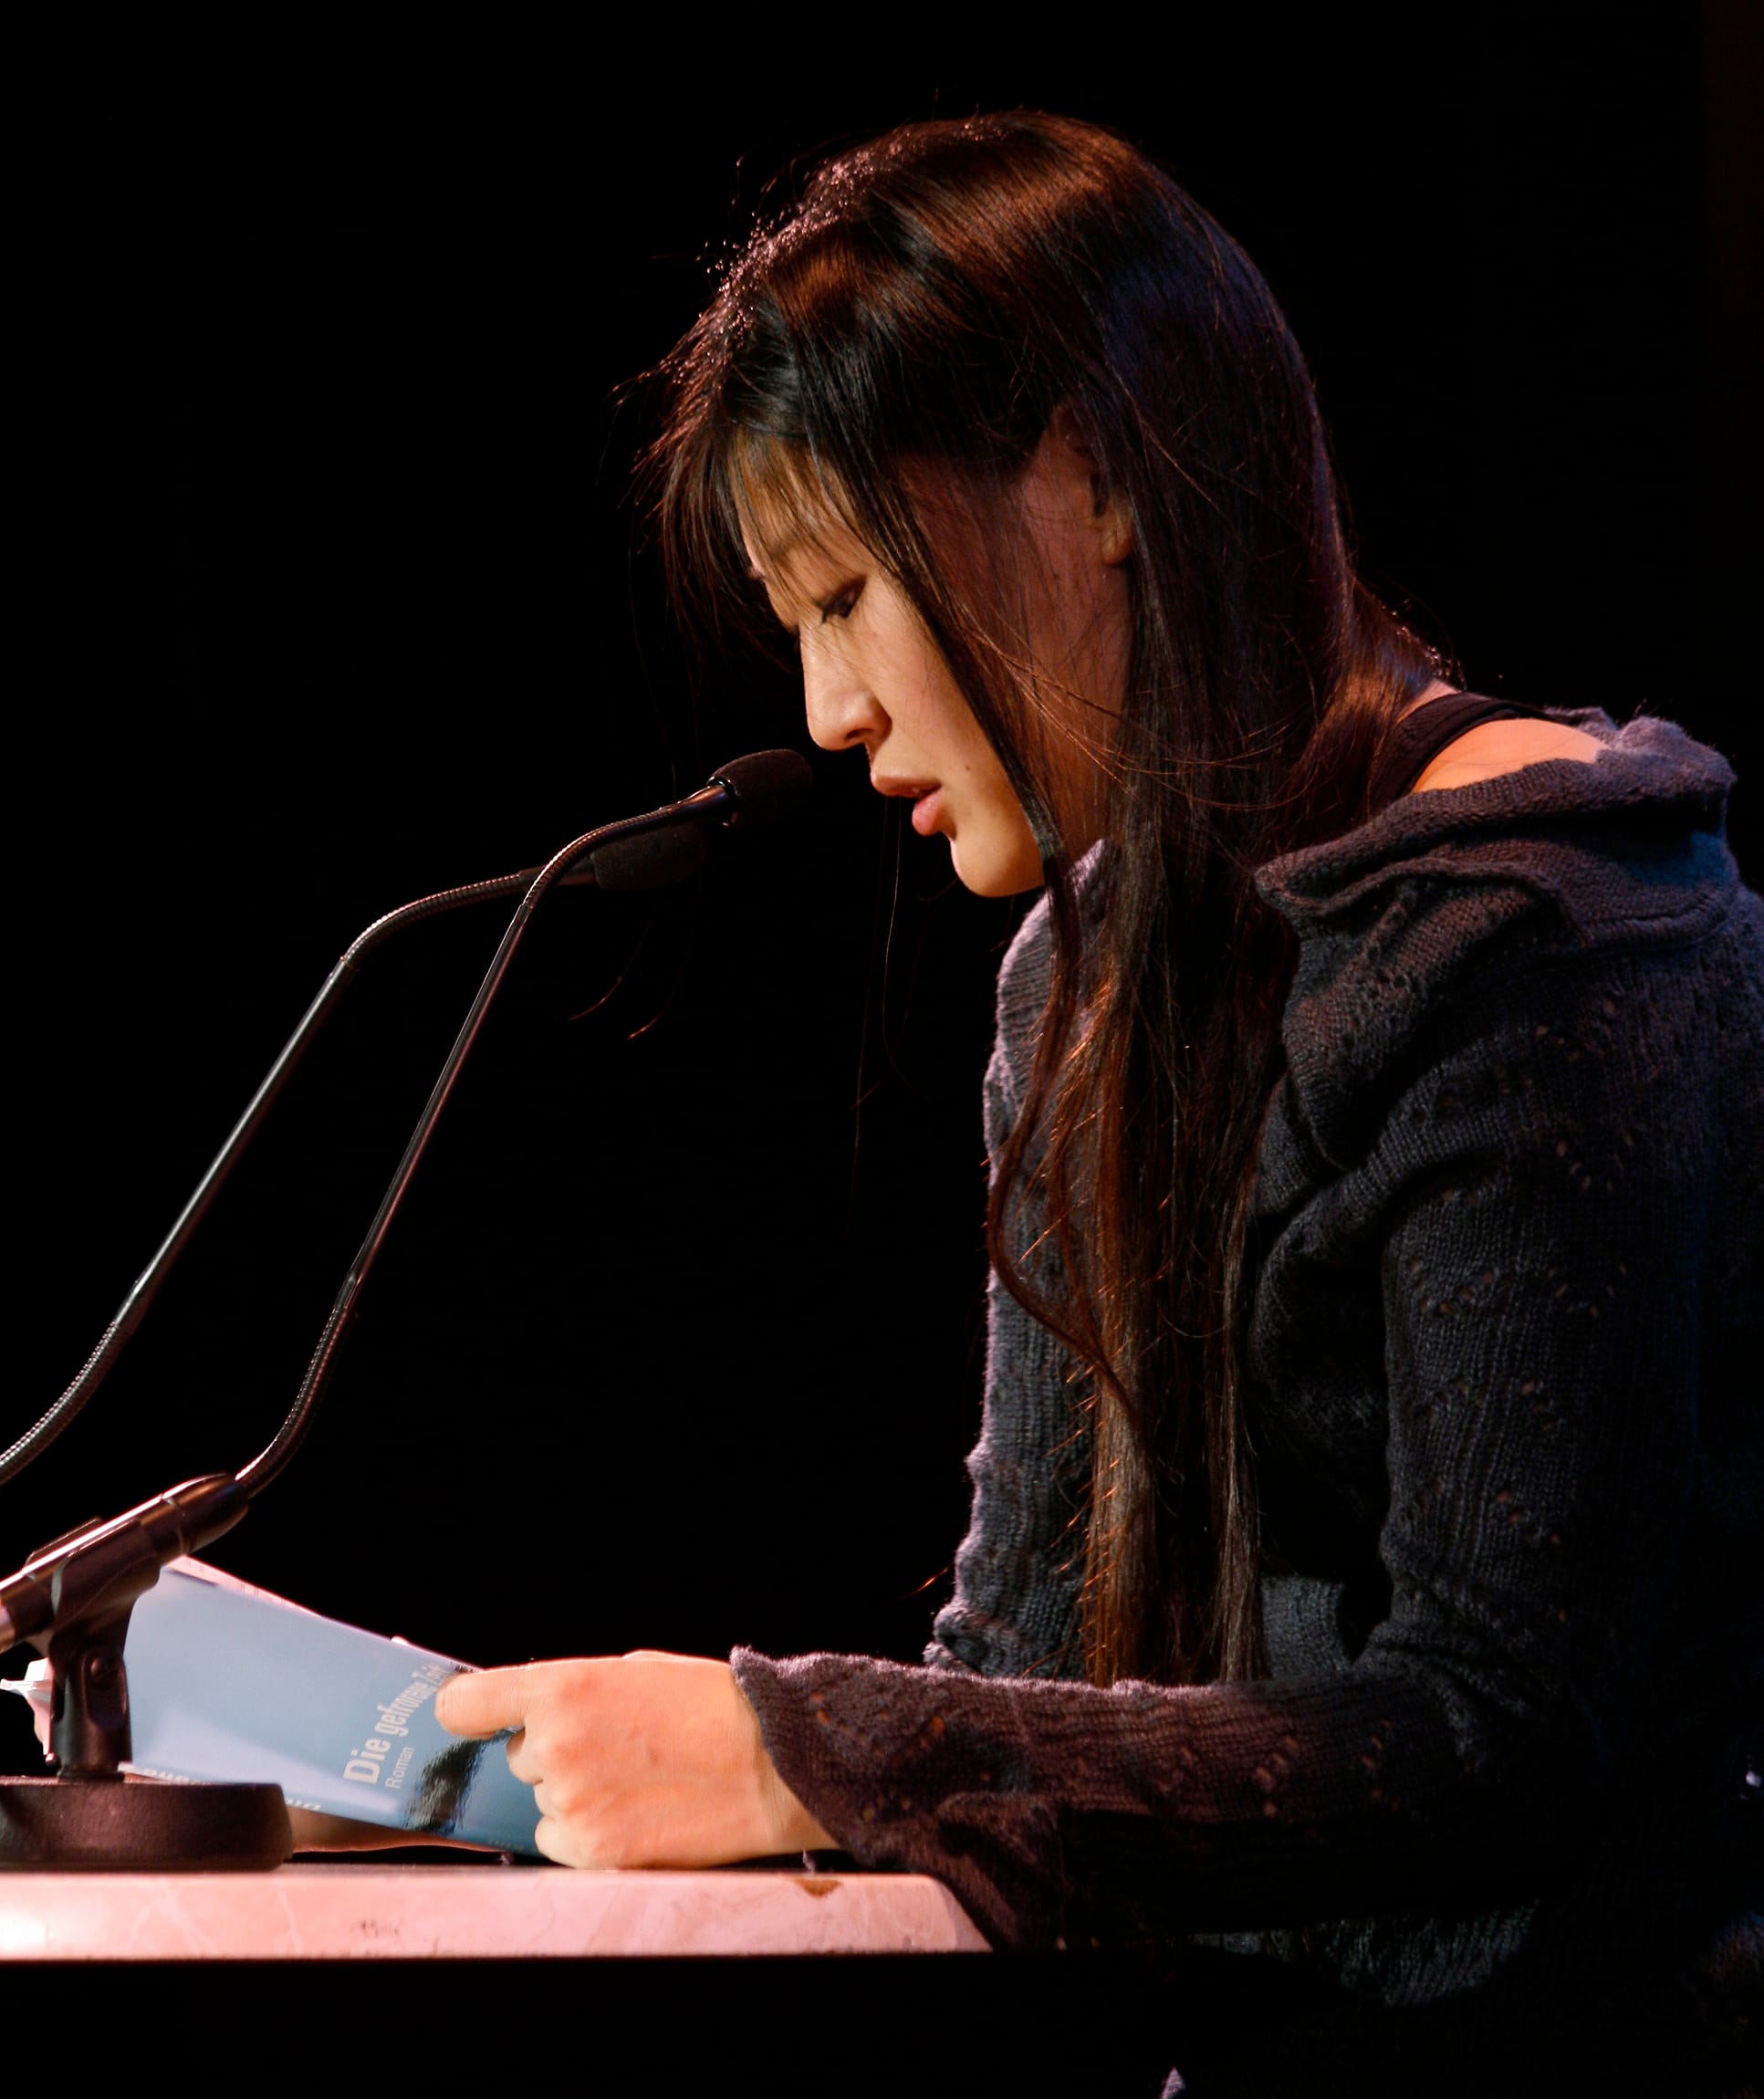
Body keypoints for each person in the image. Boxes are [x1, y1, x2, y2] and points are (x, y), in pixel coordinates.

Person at [433, 114, 1760, 2086]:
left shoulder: (1539, 936)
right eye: (797, 624)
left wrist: (805, 1746)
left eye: (848, 593)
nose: (826, 712)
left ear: (1095, 477)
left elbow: (1495, 1732)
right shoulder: (1082, 976)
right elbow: (1031, 1668)